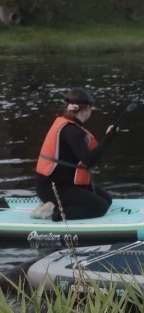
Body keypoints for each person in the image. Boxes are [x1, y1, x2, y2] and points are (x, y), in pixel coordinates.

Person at [33, 88, 120, 222]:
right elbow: (89, 160)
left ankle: (56, 205)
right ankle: (53, 212)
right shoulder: (71, 130)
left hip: (66, 183)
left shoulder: (72, 127)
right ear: (87, 108)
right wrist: (108, 138)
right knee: (100, 207)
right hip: (52, 188)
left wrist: (108, 137)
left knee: (106, 200)